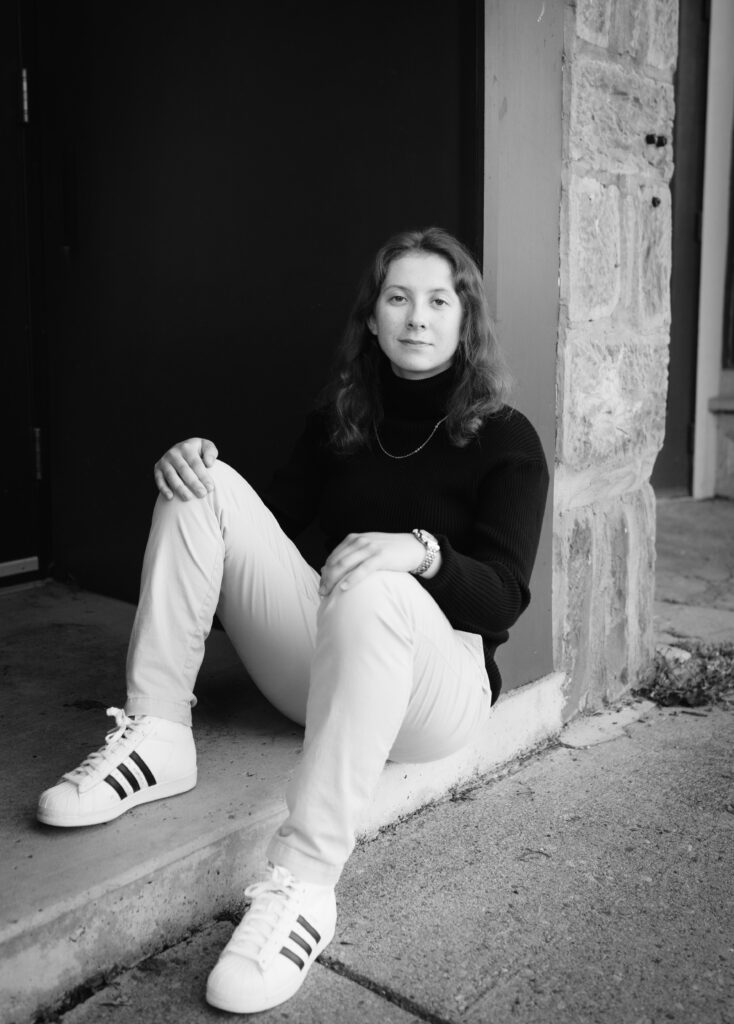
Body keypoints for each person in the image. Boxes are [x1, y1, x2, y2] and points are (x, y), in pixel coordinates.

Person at [37, 227, 549, 1014]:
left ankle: (304, 887)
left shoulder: (508, 440)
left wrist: (419, 554)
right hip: (323, 670)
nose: (417, 316)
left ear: (464, 321)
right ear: (372, 319)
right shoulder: (340, 421)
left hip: (437, 693)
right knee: (203, 483)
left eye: (439, 300)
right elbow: (263, 535)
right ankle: (159, 733)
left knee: (376, 579)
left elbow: (505, 597)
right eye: (398, 297)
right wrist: (199, 480)